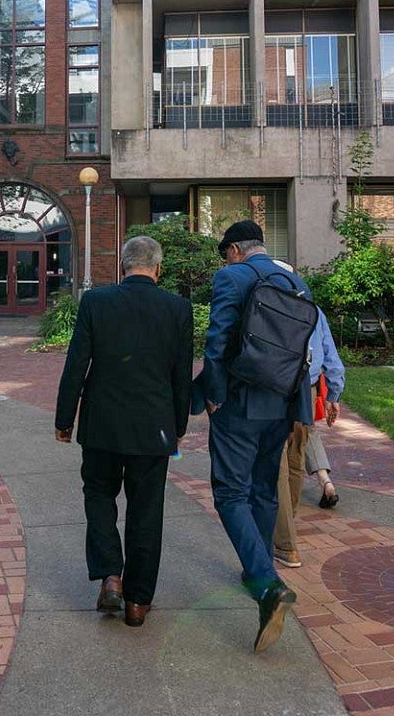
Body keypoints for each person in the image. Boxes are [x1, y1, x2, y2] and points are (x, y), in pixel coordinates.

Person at [194, 220, 344, 652]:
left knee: (229, 491)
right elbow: (306, 351)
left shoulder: (231, 277)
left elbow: (217, 339)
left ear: (237, 249)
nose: (226, 260)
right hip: (284, 405)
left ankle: (266, 584)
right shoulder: (295, 281)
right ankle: (257, 568)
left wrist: (215, 395)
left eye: (226, 252)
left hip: (239, 403)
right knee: (264, 488)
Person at [55, 234, 193, 628]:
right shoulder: (178, 308)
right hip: (155, 430)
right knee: (147, 510)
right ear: (158, 268)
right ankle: (137, 602)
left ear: (122, 266)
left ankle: (110, 575)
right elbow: (181, 376)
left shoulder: (96, 302)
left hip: (101, 425)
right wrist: (178, 426)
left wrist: (65, 420)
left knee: (98, 494)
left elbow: (76, 365)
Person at [272, 377, 344, 569]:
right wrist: (334, 394)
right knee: (297, 458)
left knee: (278, 464)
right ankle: (291, 518)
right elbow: (331, 358)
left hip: (275, 388)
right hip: (306, 390)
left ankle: (285, 544)